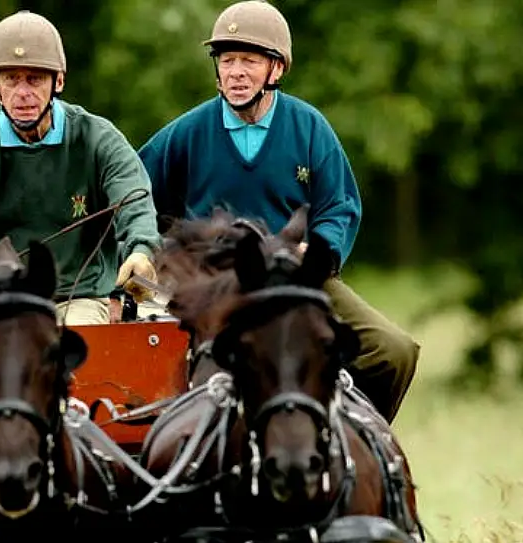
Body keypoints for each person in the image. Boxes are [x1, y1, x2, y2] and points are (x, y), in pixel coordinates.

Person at [136, 0, 419, 423]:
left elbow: (339, 204)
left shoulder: (309, 126)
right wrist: (150, 251)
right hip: (213, 284)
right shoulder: (187, 132)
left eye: (248, 61)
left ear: (277, 69)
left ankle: (346, 440)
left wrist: (317, 252)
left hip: (293, 275)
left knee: (393, 351)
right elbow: (137, 194)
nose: (235, 72)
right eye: (226, 60)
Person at [0, 10, 160, 326]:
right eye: (11, 79)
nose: (22, 92)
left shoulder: (97, 137)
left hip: (76, 298)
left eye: (34, 78)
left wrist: (140, 250)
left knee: (76, 359)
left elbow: (133, 196)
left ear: (59, 80)